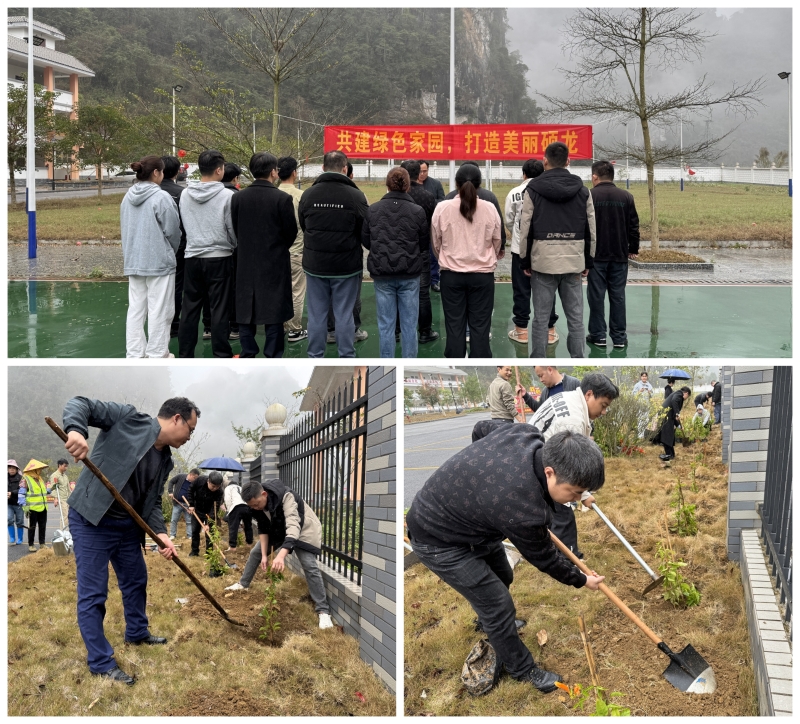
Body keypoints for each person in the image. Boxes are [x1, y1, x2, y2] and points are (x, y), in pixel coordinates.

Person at [407, 428, 606, 692]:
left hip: (476, 520)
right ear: (550, 472)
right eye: (574, 492)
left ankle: (489, 623)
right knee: (498, 605)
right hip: (437, 537)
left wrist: (480, 479)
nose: (576, 499)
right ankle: (521, 670)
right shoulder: (522, 508)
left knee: (504, 575)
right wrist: (581, 580)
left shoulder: (525, 433)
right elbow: (545, 558)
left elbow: (480, 429)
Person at [62, 396, 199, 684]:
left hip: (126, 526)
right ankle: (100, 662)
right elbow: (80, 404)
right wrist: (76, 431)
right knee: (94, 593)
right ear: (176, 419)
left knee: (136, 579)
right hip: (92, 519)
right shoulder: (128, 418)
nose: (190, 436)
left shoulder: (165, 460)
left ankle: (137, 632)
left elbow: (150, 502)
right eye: (191, 428)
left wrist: (161, 534)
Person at [526, 373, 619, 557]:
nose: (604, 412)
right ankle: (567, 558)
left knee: (554, 512)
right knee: (563, 512)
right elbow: (571, 469)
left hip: (536, 454)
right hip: (542, 464)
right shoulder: (572, 421)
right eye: (603, 405)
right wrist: (583, 494)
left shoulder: (569, 397)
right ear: (589, 395)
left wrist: (585, 495)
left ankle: (555, 551)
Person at [519, 141, 597, 358]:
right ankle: (578, 358)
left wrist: (525, 261)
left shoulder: (532, 190)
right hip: (573, 262)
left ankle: (537, 358)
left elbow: (525, 228)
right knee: (576, 319)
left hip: (543, 262)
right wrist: (588, 261)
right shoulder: (583, 191)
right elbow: (591, 229)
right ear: (568, 161)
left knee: (541, 318)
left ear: (545, 162)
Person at [227, 480, 334, 630]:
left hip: (303, 529)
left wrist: (281, 555)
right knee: (255, 552)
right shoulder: (255, 505)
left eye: (256, 504)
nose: (255, 508)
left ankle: (323, 610)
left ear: (264, 494)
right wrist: (264, 555)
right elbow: (263, 529)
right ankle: (243, 584)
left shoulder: (286, 496)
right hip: (278, 529)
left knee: (309, 564)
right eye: (251, 506)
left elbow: (293, 526)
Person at [299, 150, 369, 358]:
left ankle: (315, 356)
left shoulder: (308, 195)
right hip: (346, 267)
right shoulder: (356, 196)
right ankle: (346, 355)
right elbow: (364, 230)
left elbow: (305, 225)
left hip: (315, 265)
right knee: (344, 315)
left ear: (323, 167)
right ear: (345, 169)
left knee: (317, 315)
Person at [230, 152, 298, 358]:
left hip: (245, 260)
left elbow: (235, 228)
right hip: (274, 261)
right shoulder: (282, 198)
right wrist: (277, 247)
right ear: (273, 172)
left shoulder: (238, 197)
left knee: (245, 308)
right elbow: (291, 232)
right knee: (274, 310)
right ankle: (273, 353)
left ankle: (248, 350)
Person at [432, 163, 501, 358]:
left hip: (451, 276)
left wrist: (446, 258)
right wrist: (486, 256)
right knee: (480, 325)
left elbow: (436, 242)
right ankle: (480, 358)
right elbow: (497, 240)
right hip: (482, 275)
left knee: (454, 324)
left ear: (456, 183)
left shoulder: (442, 208)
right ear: (479, 184)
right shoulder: (489, 208)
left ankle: (454, 356)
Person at [362, 167, 428, 357]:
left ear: (387, 185)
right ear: (408, 185)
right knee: (409, 326)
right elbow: (423, 243)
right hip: (410, 273)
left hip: (382, 274)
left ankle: (388, 363)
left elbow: (366, 240)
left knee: (386, 326)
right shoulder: (417, 211)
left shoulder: (373, 210)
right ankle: (409, 361)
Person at [120, 155, 182, 358]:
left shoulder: (127, 197)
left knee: (136, 309)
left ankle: (135, 353)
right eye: (161, 172)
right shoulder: (161, 197)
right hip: (159, 262)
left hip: (134, 261)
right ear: (156, 173)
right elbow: (173, 231)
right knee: (160, 310)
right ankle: (157, 353)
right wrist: (168, 252)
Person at [178, 149, 237, 358]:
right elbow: (231, 228)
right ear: (220, 170)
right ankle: (221, 353)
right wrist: (232, 244)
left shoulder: (185, 194)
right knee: (219, 309)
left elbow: (184, 223)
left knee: (190, 309)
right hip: (219, 257)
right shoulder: (227, 195)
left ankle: (185, 353)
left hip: (192, 257)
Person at [586, 160, 640, 348]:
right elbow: (633, 225)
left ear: (595, 177)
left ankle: (598, 335)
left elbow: (583, 227)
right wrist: (633, 248)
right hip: (619, 255)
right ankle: (619, 337)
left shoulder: (589, 196)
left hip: (596, 256)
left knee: (596, 296)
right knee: (618, 296)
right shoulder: (626, 196)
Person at [506, 159, 559, 346]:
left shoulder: (514, 193)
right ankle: (550, 331)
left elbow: (509, 220)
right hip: (544, 250)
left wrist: (518, 236)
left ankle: (521, 331)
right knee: (547, 290)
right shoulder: (550, 192)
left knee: (521, 291)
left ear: (524, 174)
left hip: (519, 250)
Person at [326, 163, 369, 348]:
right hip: (349, 255)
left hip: (323, 257)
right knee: (352, 296)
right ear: (348, 173)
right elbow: (365, 226)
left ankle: (331, 331)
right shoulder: (357, 195)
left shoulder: (313, 193)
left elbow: (306, 223)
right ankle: (353, 330)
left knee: (328, 296)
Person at [400, 160, 439, 344]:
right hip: (421, 250)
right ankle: (425, 331)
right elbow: (432, 224)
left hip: (398, 251)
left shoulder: (395, 195)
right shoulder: (427, 196)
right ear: (418, 174)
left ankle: (397, 332)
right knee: (423, 293)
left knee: (398, 291)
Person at [277, 156, 308, 343]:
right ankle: (294, 329)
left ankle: (279, 325)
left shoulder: (273, 194)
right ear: (294, 173)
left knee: (279, 291)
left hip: (277, 254)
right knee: (296, 292)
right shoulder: (300, 196)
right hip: (296, 251)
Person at [160, 155, 189, 339]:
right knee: (176, 286)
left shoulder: (149, 192)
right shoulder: (182, 193)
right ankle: (174, 324)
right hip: (178, 245)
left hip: (153, 247)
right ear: (178, 171)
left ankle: (160, 324)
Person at [221, 162, 241, 342]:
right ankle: (235, 326)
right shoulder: (235, 196)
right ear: (235, 178)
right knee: (234, 288)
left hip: (204, 251)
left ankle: (211, 327)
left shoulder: (191, 194)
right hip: (233, 250)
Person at [418, 160, 446, 293]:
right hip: (415, 226)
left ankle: (434, 280)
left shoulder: (435, 184)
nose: (422, 174)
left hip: (432, 225)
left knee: (433, 254)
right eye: (420, 171)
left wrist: (428, 202)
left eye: (425, 171)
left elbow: (443, 201)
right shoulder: (410, 184)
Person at [186, 471, 224, 558]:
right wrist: (191, 504)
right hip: (197, 509)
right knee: (195, 531)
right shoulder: (200, 480)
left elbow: (215, 507)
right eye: (213, 486)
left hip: (209, 512)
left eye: (217, 487)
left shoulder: (219, 491)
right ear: (208, 481)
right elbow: (190, 490)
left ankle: (209, 554)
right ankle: (194, 551)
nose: (214, 488)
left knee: (209, 533)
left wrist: (208, 522)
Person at [19, 460, 50, 552]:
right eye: (38, 469)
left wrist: (49, 489)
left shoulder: (39, 479)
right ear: (34, 470)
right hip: (32, 508)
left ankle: (42, 543)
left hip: (43, 507)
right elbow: (21, 494)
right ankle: (31, 544)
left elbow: (42, 491)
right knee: (32, 527)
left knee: (42, 526)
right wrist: (24, 505)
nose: (40, 471)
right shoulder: (25, 479)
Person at [658, 387, 691, 461]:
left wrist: (679, 425)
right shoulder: (679, 394)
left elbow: (675, 413)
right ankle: (669, 454)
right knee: (667, 435)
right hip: (666, 416)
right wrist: (677, 413)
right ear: (686, 393)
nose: (686, 398)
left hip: (667, 416)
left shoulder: (676, 395)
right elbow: (674, 401)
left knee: (668, 435)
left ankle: (671, 454)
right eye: (687, 397)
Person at [167, 468, 200, 540]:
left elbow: (195, 495)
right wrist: (170, 492)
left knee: (189, 521)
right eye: (194, 478)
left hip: (188, 505)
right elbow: (171, 482)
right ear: (191, 475)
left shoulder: (195, 483)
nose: (195, 480)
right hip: (177, 503)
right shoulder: (180, 476)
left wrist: (192, 506)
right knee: (174, 520)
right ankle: (172, 535)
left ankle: (189, 535)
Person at [222, 479, 253, 551]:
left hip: (235, 507)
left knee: (233, 527)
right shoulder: (240, 488)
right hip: (246, 506)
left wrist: (229, 511)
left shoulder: (228, 488)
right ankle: (249, 543)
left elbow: (228, 500)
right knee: (248, 526)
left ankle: (233, 547)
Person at [49, 458, 71, 529]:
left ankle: (65, 531)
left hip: (67, 498)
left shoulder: (65, 476)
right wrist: (55, 498)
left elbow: (68, 488)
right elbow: (53, 488)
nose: (66, 468)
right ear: (59, 465)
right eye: (65, 466)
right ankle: (64, 532)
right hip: (60, 498)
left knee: (67, 516)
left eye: (67, 466)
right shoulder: (55, 475)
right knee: (65, 515)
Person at [8, 460, 25, 546]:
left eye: (13, 468)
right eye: (10, 468)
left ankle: (20, 538)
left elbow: (22, 489)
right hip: (8, 504)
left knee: (20, 521)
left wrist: (12, 493)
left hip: (19, 503)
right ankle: (12, 537)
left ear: (16, 469)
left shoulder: (21, 478)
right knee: (9, 519)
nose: (11, 469)